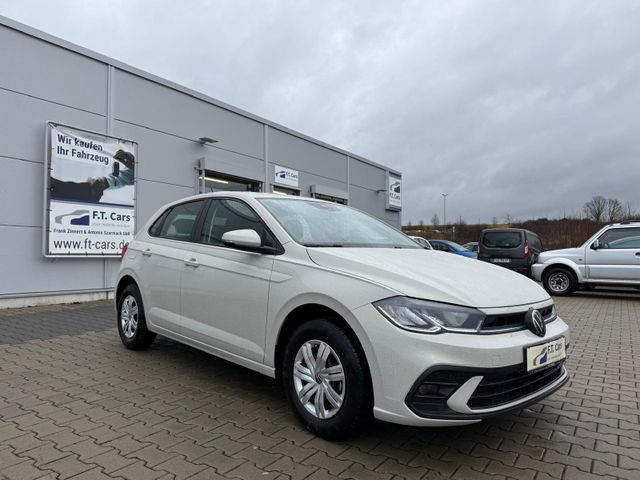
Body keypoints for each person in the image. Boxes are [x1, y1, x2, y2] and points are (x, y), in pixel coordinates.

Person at [50, 149, 135, 203]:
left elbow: (135, 171)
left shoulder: (139, 173)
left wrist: (131, 161)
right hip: (96, 187)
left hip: (96, 190)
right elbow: (126, 173)